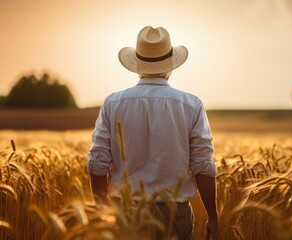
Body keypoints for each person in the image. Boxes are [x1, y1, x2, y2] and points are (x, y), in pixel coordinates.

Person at [86, 26, 219, 240]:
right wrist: (213, 217)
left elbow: (98, 163)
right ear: (171, 65)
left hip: (124, 214)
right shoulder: (191, 104)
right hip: (174, 215)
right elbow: (203, 165)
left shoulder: (113, 103)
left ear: (137, 65)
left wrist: (103, 215)